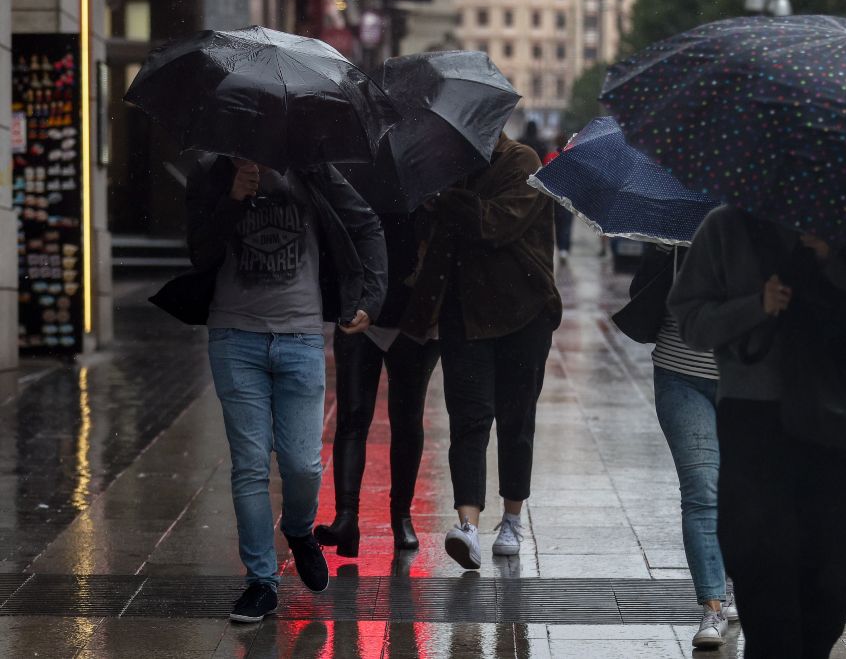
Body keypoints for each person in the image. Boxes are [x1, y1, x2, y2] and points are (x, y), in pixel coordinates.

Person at [160, 154, 386, 623]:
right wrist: (232, 201)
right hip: (234, 337)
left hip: (300, 336)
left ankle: (299, 530)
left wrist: (371, 298)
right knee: (249, 465)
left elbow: (366, 224)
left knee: (303, 465)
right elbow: (199, 252)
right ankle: (260, 580)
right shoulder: (212, 173)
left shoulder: (312, 167)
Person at [668, 206, 846, 658]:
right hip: (756, 420)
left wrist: (836, 261)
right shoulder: (726, 227)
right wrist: (756, 306)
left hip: (837, 420)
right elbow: (691, 321)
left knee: (839, 570)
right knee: (765, 576)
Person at [400, 132, 561, 570]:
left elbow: (496, 223)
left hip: (523, 314)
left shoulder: (521, 161)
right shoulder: (449, 169)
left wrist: (445, 198)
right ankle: (467, 525)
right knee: (469, 420)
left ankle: (511, 519)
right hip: (464, 314)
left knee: (516, 419)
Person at [614, 244, 737, 649]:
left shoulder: (769, 230)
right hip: (681, 375)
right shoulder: (676, 230)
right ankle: (712, 607)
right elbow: (641, 292)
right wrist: (662, 257)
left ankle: (731, 582)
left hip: (751, 382)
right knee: (701, 490)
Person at [315, 211, 440, 556]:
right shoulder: (354, 171)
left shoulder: (430, 174)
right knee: (353, 415)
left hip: (414, 314)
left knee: (407, 419)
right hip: (360, 308)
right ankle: (347, 517)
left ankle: (401, 515)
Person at [542, 133, 574, 263]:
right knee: (566, 224)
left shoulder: (550, 156)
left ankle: (558, 248)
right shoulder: (571, 157)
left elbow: (544, 176)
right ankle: (564, 249)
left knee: (557, 223)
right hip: (569, 196)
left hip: (554, 196)